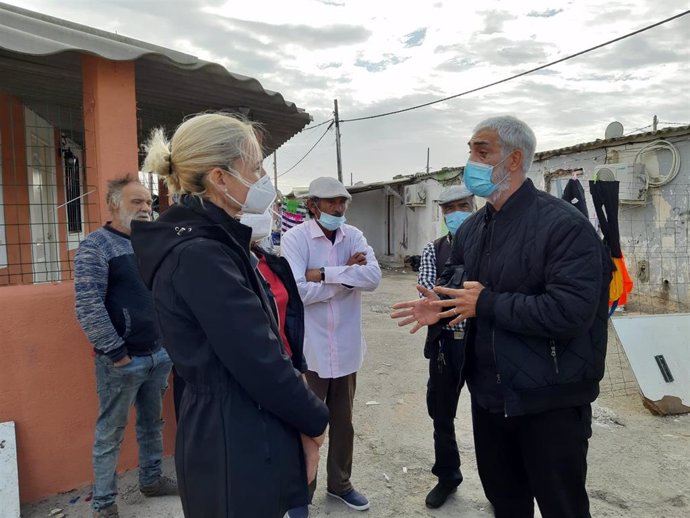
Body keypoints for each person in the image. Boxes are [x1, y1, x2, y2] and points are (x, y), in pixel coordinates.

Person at [392, 115, 611, 518]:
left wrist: (487, 303)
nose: (471, 160)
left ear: (513, 160)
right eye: (471, 150)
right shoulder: (474, 229)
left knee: (563, 507)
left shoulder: (565, 227)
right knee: (506, 504)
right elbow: (461, 291)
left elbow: (571, 313)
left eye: (482, 150)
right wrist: (438, 309)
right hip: (490, 400)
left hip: (550, 403)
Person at [130, 113, 329, 518]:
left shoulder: (215, 243)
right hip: (234, 440)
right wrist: (316, 421)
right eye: (255, 169)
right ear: (220, 178)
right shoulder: (201, 255)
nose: (264, 181)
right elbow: (259, 358)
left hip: (241, 427)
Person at [74, 176, 177, 518]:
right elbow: (88, 304)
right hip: (121, 360)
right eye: (137, 202)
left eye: (148, 203)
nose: (146, 208)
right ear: (115, 204)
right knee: (110, 433)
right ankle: (103, 504)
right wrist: (117, 352)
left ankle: (151, 480)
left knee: (152, 423)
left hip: (158, 354)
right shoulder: (96, 246)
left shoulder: (152, 243)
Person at [280, 177, 382, 512]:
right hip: (312, 349)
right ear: (313, 205)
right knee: (306, 423)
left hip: (348, 347)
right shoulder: (295, 239)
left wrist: (322, 274)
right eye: (330, 203)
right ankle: (300, 493)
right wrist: (344, 278)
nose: (338, 209)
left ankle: (340, 484)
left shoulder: (354, 236)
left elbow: (373, 278)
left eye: (342, 202)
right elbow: (297, 291)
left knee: (344, 422)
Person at [417, 184, 475, 509]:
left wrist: (443, 296)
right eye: (448, 209)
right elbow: (427, 293)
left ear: (473, 205)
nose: (454, 214)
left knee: (493, 416)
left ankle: (502, 485)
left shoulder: (490, 246)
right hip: (445, 345)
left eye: (461, 206)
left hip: (481, 344)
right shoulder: (434, 249)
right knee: (441, 413)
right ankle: (448, 475)